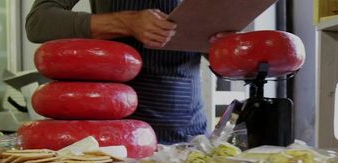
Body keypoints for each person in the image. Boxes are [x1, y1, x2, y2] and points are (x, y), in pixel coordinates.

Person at [26, 0, 212, 144]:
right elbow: (39, 21)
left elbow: (219, 52)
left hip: (183, 132)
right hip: (111, 133)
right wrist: (125, 22)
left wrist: (224, 48)